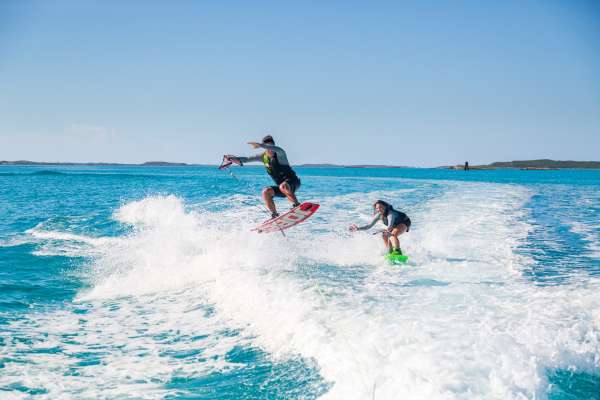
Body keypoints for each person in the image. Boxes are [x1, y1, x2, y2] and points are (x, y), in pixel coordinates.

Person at [225, 135, 301, 219]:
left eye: (272, 147)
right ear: (265, 149)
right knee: (266, 191)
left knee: (283, 185)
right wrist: (233, 159)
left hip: (293, 182)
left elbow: (277, 149)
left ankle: (297, 206)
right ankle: (275, 215)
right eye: (268, 147)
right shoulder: (263, 157)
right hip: (282, 188)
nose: (271, 149)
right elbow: (246, 159)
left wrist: (260, 145)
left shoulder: (280, 153)